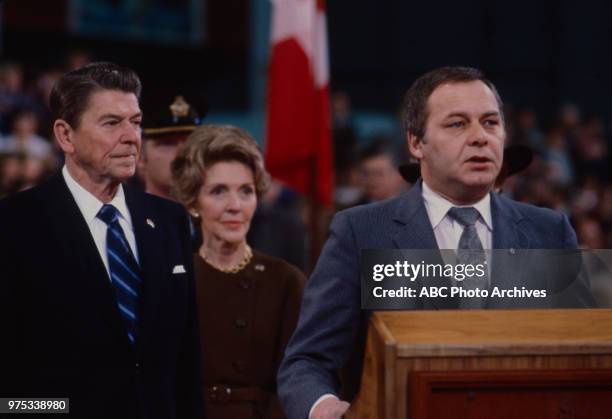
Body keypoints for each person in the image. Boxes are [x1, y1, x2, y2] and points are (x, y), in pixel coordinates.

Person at [277, 66, 595, 419]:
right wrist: (324, 408)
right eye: (457, 123)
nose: (480, 137)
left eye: (490, 122)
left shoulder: (549, 232)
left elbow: (583, 358)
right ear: (416, 143)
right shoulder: (360, 231)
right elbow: (306, 362)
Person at [0, 62, 203, 419]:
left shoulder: (171, 221)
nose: (131, 137)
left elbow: (186, 365)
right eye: (111, 123)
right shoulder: (14, 225)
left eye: (136, 122)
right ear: (65, 136)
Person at [171, 124, 305, 419]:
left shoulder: (285, 280)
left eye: (245, 191)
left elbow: (298, 378)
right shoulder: (173, 279)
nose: (235, 206)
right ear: (193, 202)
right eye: (219, 192)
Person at [138, 95, 201, 200]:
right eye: (168, 143)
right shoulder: (128, 215)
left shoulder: (217, 214)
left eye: (191, 142)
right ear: (140, 157)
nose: (183, 153)